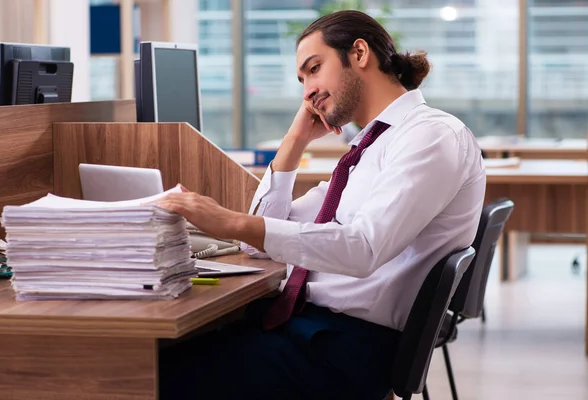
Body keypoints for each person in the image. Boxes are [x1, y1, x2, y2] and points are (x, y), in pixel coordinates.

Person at [156, 9, 486, 400]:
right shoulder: (369, 148)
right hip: (311, 333)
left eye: (314, 69)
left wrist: (230, 222)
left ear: (359, 53)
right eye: (301, 79)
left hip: (343, 351)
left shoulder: (431, 136)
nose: (307, 91)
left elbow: (362, 249)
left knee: (150, 376)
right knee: (156, 358)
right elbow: (255, 244)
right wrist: (294, 142)